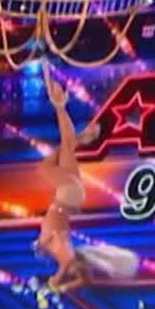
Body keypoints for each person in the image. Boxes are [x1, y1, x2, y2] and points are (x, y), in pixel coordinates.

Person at [35, 61, 139, 291]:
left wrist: (60, 284)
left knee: (64, 149)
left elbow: (81, 276)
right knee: (48, 163)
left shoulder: (62, 250)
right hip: (68, 197)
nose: (38, 249)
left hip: (68, 196)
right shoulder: (63, 253)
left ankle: (63, 111)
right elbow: (73, 268)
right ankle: (64, 113)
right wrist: (56, 282)